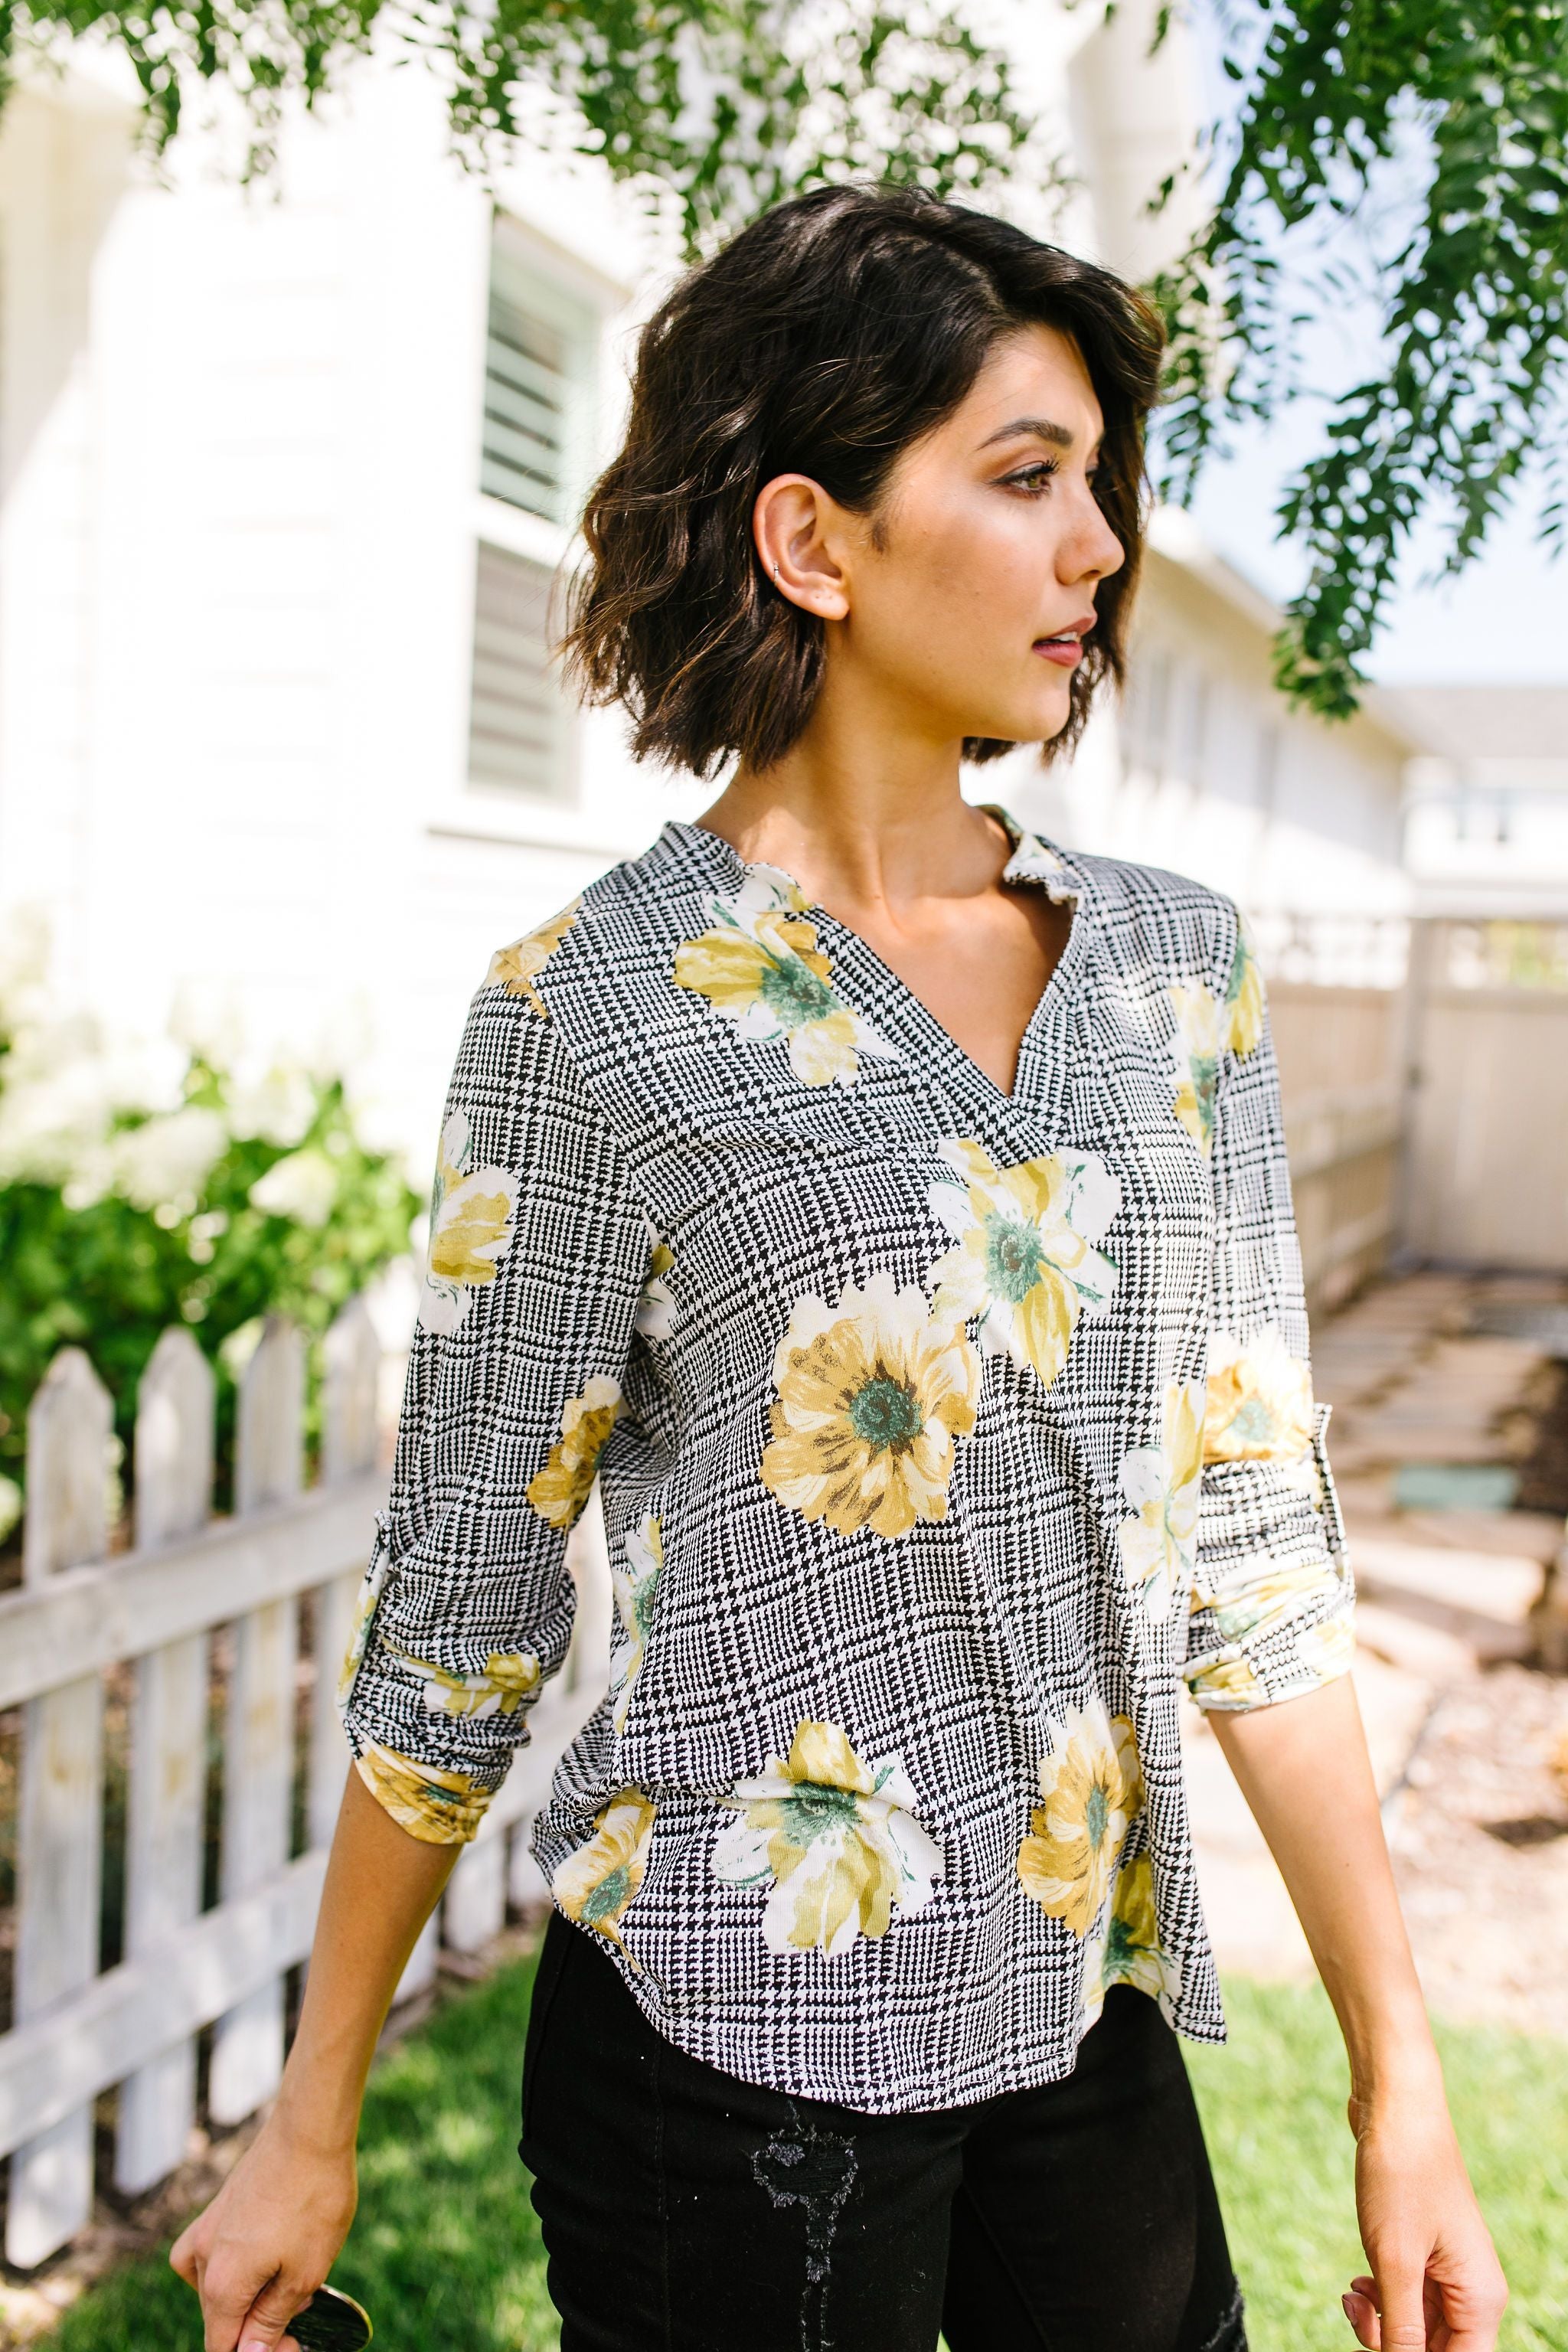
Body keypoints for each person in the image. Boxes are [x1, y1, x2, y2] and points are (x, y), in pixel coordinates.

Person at [172, 183, 1507, 2352]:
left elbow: (1255, 1542)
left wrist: (1402, 2074)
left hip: (1086, 2029)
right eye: (1024, 477)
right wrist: (314, 2112)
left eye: (1102, 485)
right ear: (815, 540)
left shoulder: (1176, 973)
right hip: (724, 2070)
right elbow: (468, 1599)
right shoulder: (585, 1011)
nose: (1099, 547)